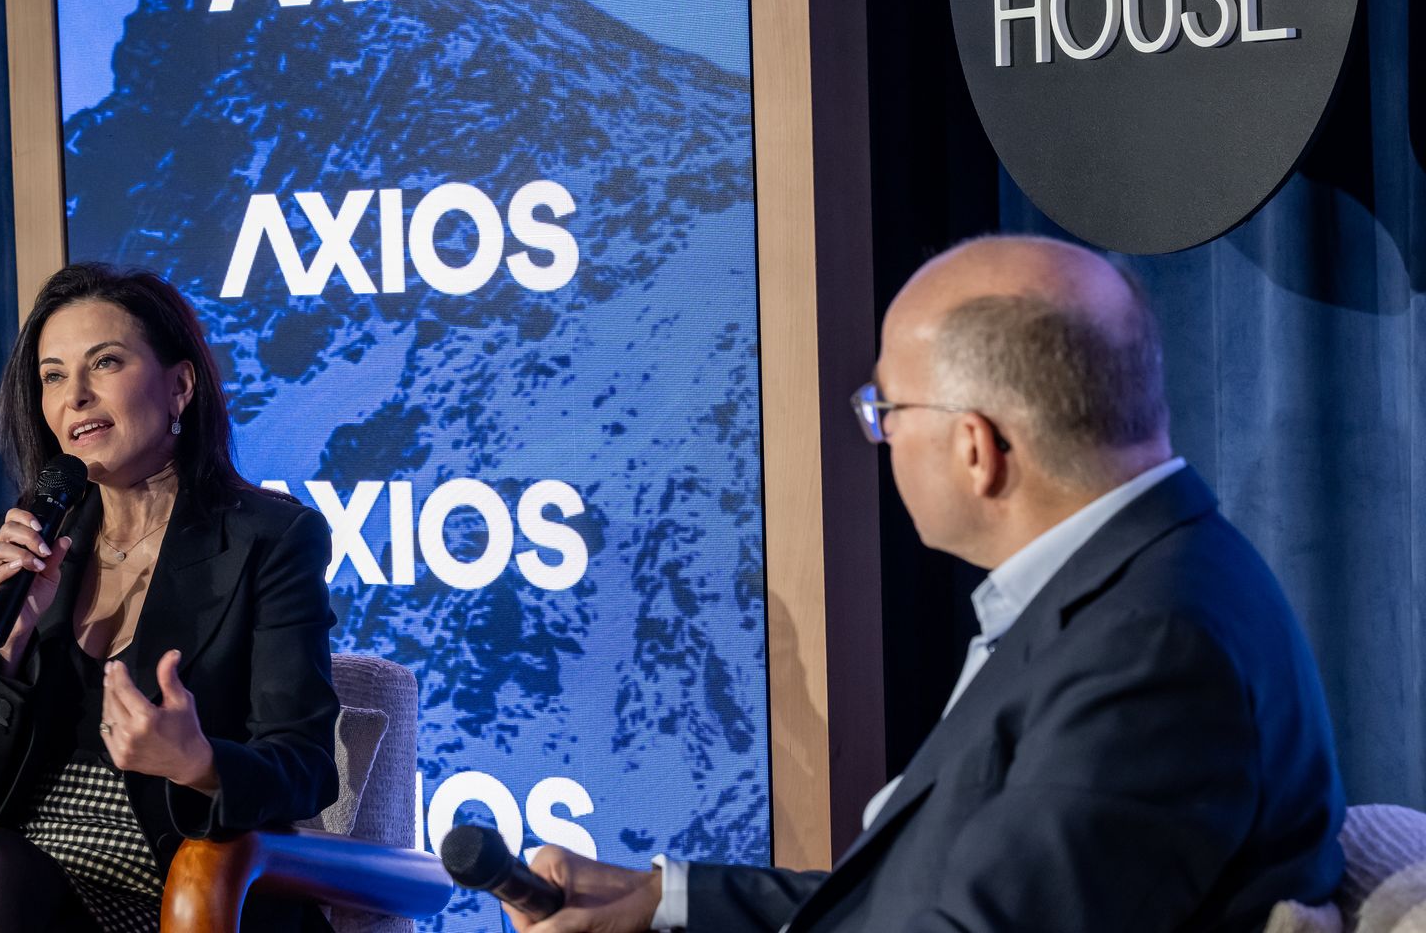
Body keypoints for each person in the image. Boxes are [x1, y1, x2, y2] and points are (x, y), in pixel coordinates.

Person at [508, 236, 1344, 933]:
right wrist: (664, 903)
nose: (880, 438)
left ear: (976, 448)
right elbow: (926, 896)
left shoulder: (1155, 647)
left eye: (886, 412)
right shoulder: (1136, 587)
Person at [0, 263, 339, 933]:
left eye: (106, 362)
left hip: (186, 894)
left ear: (179, 387)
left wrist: (198, 763)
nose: (75, 396)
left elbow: (306, 766)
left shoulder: (271, 537)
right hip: (27, 892)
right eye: (53, 376)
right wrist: (5, 648)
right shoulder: (43, 543)